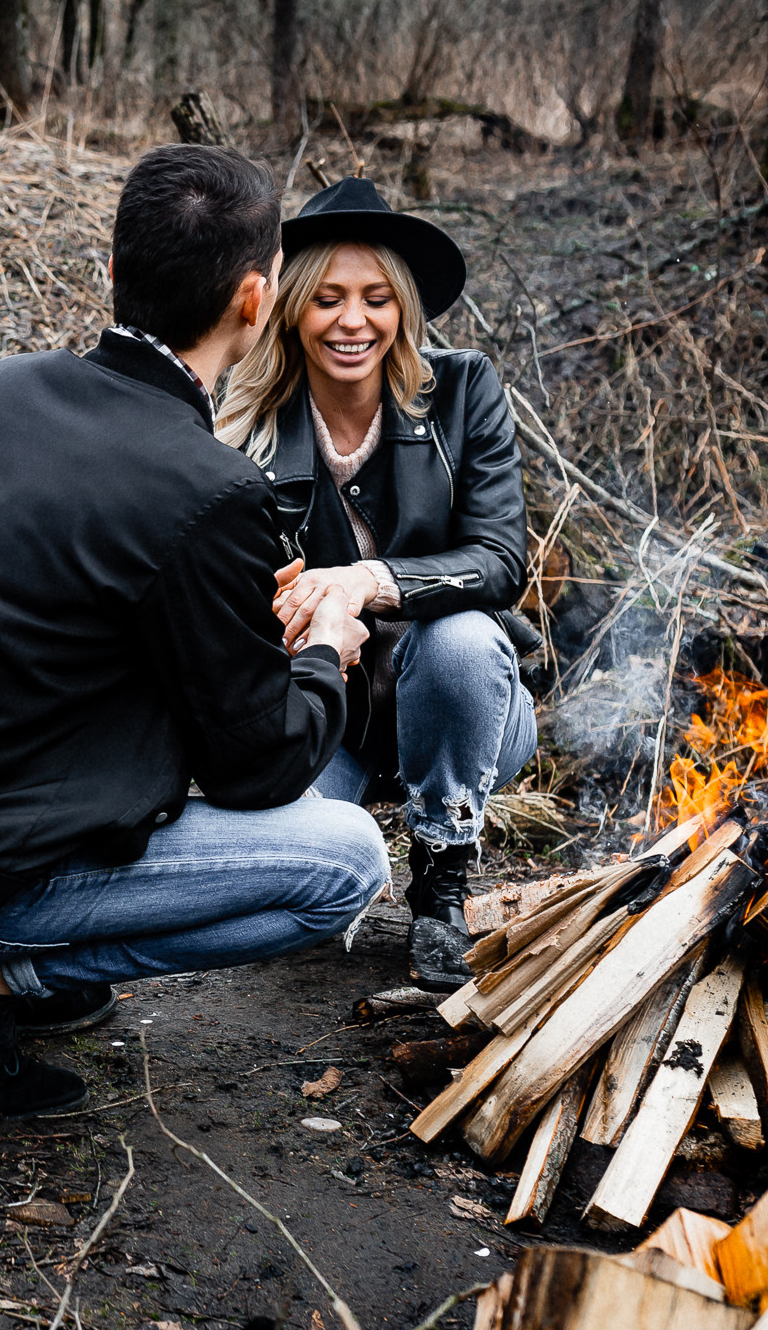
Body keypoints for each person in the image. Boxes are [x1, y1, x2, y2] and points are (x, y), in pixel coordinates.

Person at [0, 145, 389, 1123]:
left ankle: (0, 972)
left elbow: (40, 631)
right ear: (256, 301)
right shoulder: (211, 490)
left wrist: (231, 622)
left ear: (112, 274)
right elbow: (257, 771)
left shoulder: (5, 389)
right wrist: (323, 650)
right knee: (348, 859)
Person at [215, 177, 532, 989]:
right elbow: (231, 600)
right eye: (326, 299)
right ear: (290, 308)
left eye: (376, 298)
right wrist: (281, 607)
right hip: (333, 713)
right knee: (293, 900)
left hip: (469, 706)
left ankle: (441, 877)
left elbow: (499, 561)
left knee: (460, 636)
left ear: (404, 310)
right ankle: (344, 857)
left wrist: (366, 581)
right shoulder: (246, 423)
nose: (352, 321)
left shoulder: (464, 390)